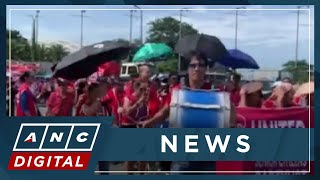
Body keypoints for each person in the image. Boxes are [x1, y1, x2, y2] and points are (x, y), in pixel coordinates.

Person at [140, 51, 236, 172]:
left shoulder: (214, 91)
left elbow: (230, 106)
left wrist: (232, 126)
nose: (197, 68)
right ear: (188, 69)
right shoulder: (178, 91)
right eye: (193, 65)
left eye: (201, 65)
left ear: (205, 69)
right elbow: (164, 112)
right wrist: (149, 122)